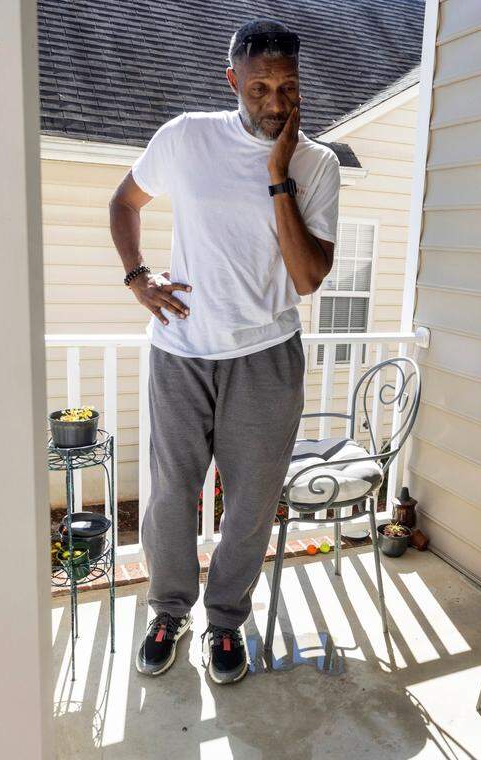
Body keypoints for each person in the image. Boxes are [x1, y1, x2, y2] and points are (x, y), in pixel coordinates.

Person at [107, 18, 340, 685]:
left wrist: (277, 173)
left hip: (266, 354)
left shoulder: (316, 165)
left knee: (251, 503)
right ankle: (168, 610)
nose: (274, 102)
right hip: (180, 351)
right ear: (232, 79)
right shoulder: (186, 137)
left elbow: (306, 277)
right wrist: (137, 276)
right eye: (260, 86)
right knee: (171, 494)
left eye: (287, 87)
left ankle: (227, 620)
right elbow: (125, 201)